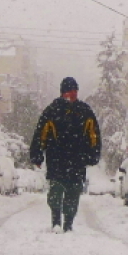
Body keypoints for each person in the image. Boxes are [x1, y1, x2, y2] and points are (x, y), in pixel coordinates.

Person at [30, 77, 101, 232]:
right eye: (70, 91)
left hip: (77, 162)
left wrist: (93, 154)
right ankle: (56, 221)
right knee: (55, 193)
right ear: (63, 92)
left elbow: (93, 135)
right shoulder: (52, 110)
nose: (74, 94)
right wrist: (37, 154)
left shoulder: (85, 111)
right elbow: (40, 134)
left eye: (75, 90)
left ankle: (68, 223)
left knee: (73, 195)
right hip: (56, 161)